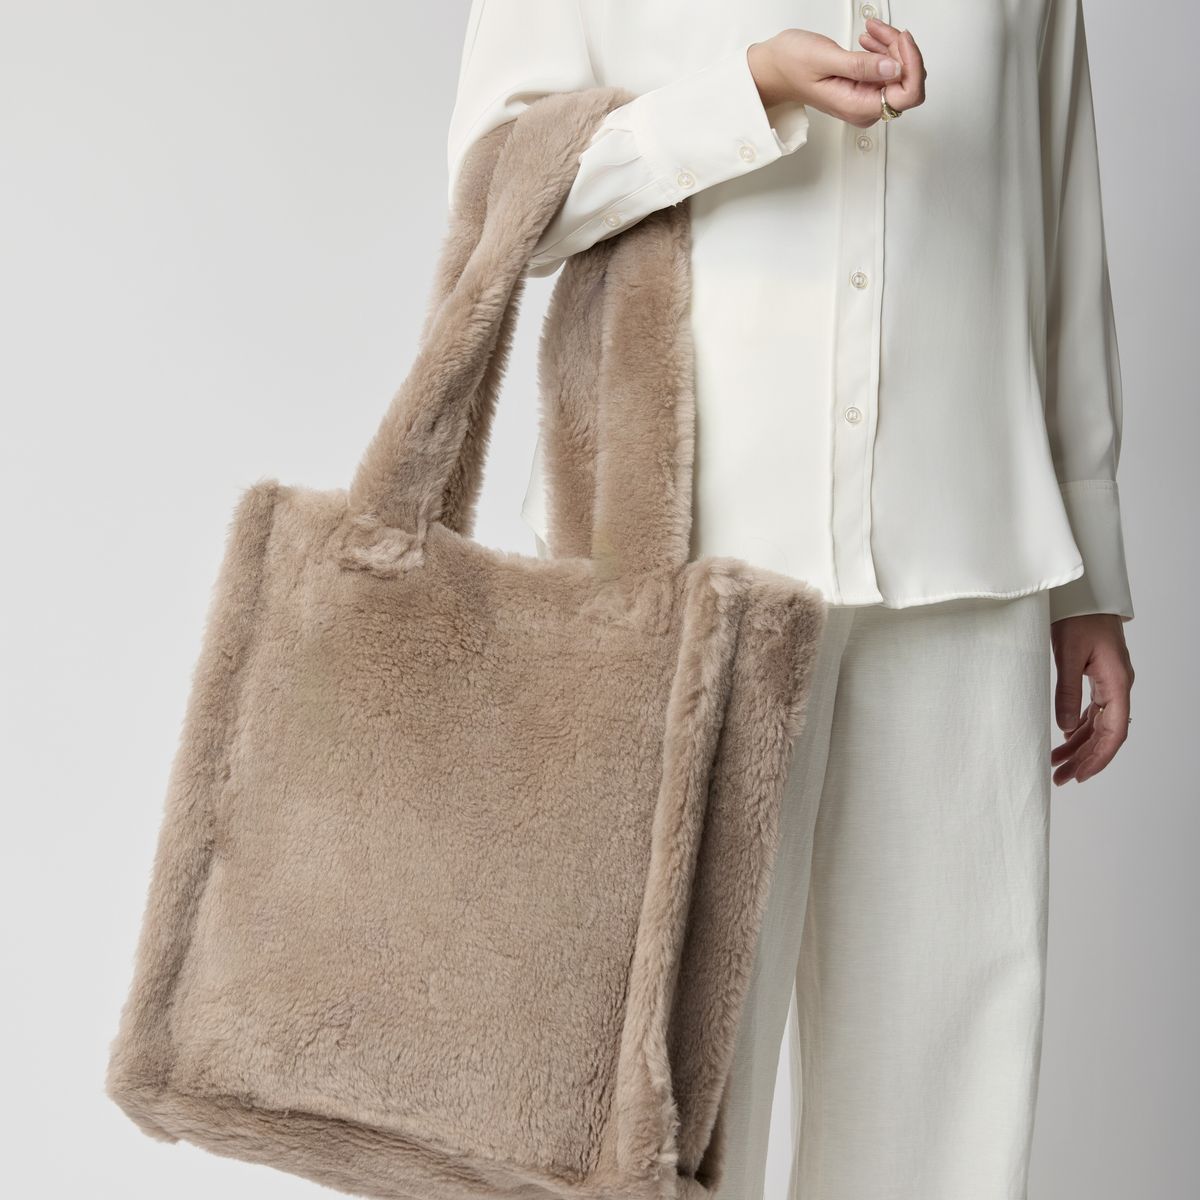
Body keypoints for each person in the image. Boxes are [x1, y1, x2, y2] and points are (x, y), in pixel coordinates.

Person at [445, 2, 1135, 1197]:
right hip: (688, 556)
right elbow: (502, 192)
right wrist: (748, 91)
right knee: (667, 1089)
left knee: (946, 1089)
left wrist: (1090, 574)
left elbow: (1060, 216)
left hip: (963, 549)